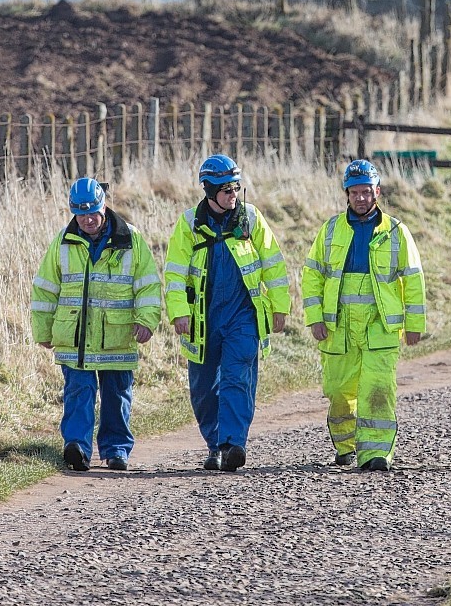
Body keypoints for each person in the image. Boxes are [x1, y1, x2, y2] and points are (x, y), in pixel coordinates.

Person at [164, 154, 290, 471]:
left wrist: (280, 306)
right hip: (203, 320)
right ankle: (215, 444)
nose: (232, 194)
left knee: (237, 379)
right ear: (209, 190)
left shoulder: (251, 218)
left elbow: (274, 265)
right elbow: (175, 274)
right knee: (204, 389)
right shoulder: (189, 223)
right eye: (225, 189)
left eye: (235, 187)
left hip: (242, 317)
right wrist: (179, 312)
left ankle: (234, 444)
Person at [301, 159, 427, 471]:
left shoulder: (396, 232)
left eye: (366, 192)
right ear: (346, 193)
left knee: (377, 390)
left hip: (380, 326)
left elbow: (413, 280)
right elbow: (312, 276)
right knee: (340, 392)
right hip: (339, 325)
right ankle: (346, 447)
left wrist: (415, 324)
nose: (361, 198)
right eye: (355, 192)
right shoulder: (330, 231)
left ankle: (376, 453)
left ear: (377, 192)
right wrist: (315, 317)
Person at [30, 177, 163, 472]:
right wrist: (43, 329)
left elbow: (148, 287)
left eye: (93, 212)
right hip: (74, 338)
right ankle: (77, 446)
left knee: (117, 394)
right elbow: (45, 289)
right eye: (81, 213)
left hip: (118, 336)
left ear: (104, 207)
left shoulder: (131, 239)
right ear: (73, 212)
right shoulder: (62, 242)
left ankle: (116, 450)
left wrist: (146, 320)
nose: (88, 219)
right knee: (79, 391)